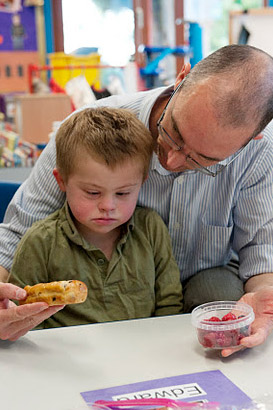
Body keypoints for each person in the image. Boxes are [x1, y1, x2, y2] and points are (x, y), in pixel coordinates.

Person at [1, 44, 273, 355]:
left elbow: (261, 249)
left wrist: (265, 296)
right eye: (174, 133)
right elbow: (18, 231)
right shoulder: (87, 130)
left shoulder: (261, 154)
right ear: (181, 79)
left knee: (220, 292)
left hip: (201, 288)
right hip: (112, 300)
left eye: (202, 159)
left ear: (251, 139)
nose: (171, 160)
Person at [7, 107, 183, 331]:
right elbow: (20, 314)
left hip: (143, 354)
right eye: (92, 193)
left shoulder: (151, 228)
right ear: (61, 181)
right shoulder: (40, 242)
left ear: (142, 182)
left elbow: (170, 303)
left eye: (123, 193)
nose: (108, 206)